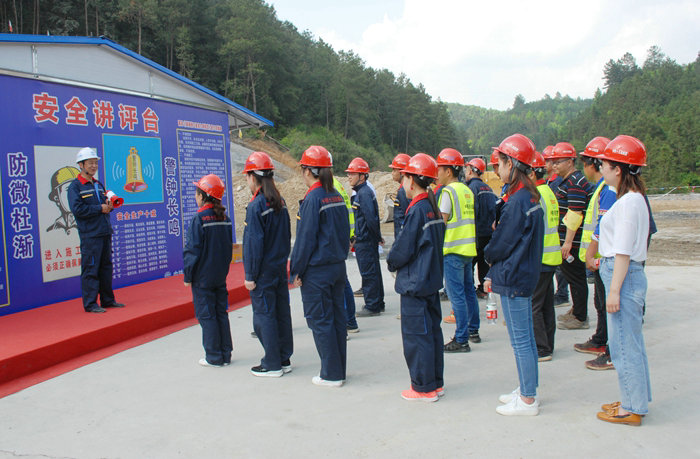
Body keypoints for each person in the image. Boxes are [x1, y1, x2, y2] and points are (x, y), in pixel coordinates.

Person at [483, 133, 544, 416]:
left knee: (520, 340)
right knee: (526, 338)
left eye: (500, 163)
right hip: (523, 273)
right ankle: (526, 388)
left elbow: (502, 243)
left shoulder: (518, 201)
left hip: (515, 275)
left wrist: (488, 253)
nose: (497, 169)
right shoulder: (529, 196)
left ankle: (528, 398)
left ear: (512, 164)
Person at [595, 135, 651, 426]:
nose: (600, 168)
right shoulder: (632, 199)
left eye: (603, 164)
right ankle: (636, 399)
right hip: (625, 275)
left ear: (618, 169)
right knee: (631, 343)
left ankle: (631, 408)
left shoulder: (628, 203)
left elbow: (624, 250)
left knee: (623, 346)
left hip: (624, 278)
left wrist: (614, 290)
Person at [387, 153, 446, 402]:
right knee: (431, 333)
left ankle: (423, 388)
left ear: (411, 180)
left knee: (416, 337)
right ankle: (435, 383)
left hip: (416, 283)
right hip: (429, 281)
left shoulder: (418, 210)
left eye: (404, 178)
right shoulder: (431, 208)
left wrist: (391, 262)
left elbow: (403, 248)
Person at [290, 146, 350, 387]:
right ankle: (338, 369)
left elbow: (305, 240)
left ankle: (331, 374)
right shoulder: (335, 195)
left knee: (320, 321)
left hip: (318, 271)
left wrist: (296, 270)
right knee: (336, 319)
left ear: (308, 171)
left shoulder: (313, 198)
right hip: (337, 267)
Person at [242, 152, 293, 377]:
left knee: (264, 316)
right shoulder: (280, 202)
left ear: (253, 177)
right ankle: (283, 358)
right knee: (281, 313)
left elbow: (254, 244)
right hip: (278, 267)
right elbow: (286, 236)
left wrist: (250, 275)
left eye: (247, 176)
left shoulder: (256, 206)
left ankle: (272, 364)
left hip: (263, 272)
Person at [571, 137, 618, 371]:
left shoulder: (608, 190)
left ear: (595, 164)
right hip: (601, 255)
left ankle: (610, 349)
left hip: (603, 256)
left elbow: (602, 225)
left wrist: (592, 254)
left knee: (606, 303)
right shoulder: (601, 188)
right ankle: (601, 339)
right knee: (600, 301)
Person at [183, 174, 233, 367]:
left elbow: (192, 250)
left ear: (203, 196)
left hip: (202, 276)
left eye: (197, 193)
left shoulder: (200, 218)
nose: (195, 196)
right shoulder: (225, 218)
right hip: (219, 275)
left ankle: (213, 356)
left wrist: (188, 275)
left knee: (207, 315)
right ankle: (225, 354)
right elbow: (228, 250)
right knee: (221, 313)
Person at [67, 147, 125, 313]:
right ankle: (91, 303)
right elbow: (78, 210)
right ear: (81, 165)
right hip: (90, 235)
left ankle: (108, 300)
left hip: (104, 232)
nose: (94, 166)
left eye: (95, 163)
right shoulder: (75, 187)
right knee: (90, 269)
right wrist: (100, 208)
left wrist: (109, 206)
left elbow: (104, 206)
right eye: (90, 163)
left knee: (106, 268)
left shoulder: (98, 184)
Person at [436, 148, 480, 351]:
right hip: (468, 250)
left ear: (448, 171)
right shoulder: (467, 190)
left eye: (440, 169)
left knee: (457, 296)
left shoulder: (448, 192)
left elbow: (442, 223)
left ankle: (461, 339)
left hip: (453, 250)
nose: (437, 173)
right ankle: (473, 330)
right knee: (469, 292)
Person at [550, 142, 593, 330]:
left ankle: (580, 317)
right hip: (569, 240)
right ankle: (576, 310)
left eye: (558, 162)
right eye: (553, 162)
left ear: (570, 161)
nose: (554, 166)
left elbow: (575, 213)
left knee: (576, 278)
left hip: (573, 242)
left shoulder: (575, 183)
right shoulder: (568, 181)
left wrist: (567, 242)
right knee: (572, 277)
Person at [529, 152, 562, 362]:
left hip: (540, 257)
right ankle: (548, 344)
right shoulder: (548, 192)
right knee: (546, 304)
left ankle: (541, 349)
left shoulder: (536, 196)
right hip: (551, 256)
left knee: (534, 305)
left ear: (532, 174)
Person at [347, 157, 385, 316]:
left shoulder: (364, 193)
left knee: (369, 273)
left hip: (366, 240)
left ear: (362, 176)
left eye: (352, 174)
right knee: (373, 271)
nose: (349, 177)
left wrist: (377, 237)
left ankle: (372, 305)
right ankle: (377, 302)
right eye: (349, 174)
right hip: (365, 239)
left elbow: (371, 219)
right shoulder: (362, 192)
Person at [465, 157, 497, 298]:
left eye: (467, 169)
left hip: (476, 233)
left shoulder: (471, 189)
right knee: (483, 263)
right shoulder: (488, 189)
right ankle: (483, 290)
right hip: (488, 233)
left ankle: (470, 290)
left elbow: (473, 212)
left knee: (470, 263)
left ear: (471, 171)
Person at [333, 175, 360, 333]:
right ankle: (350, 321)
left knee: (340, 285)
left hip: (336, 242)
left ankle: (347, 322)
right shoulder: (336, 184)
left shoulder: (329, 187)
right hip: (343, 238)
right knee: (343, 282)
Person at [544, 145, 570, 308]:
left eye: (550, 161)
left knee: (560, 266)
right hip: (555, 226)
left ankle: (562, 294)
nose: (548, 165)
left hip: (560, 227)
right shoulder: (550, 182)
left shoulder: (558, 182)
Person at [389, 153, 411, 240]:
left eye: (394, 170)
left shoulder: (404, 191)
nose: (392, 173)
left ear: (402, 172)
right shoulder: (405, 189)